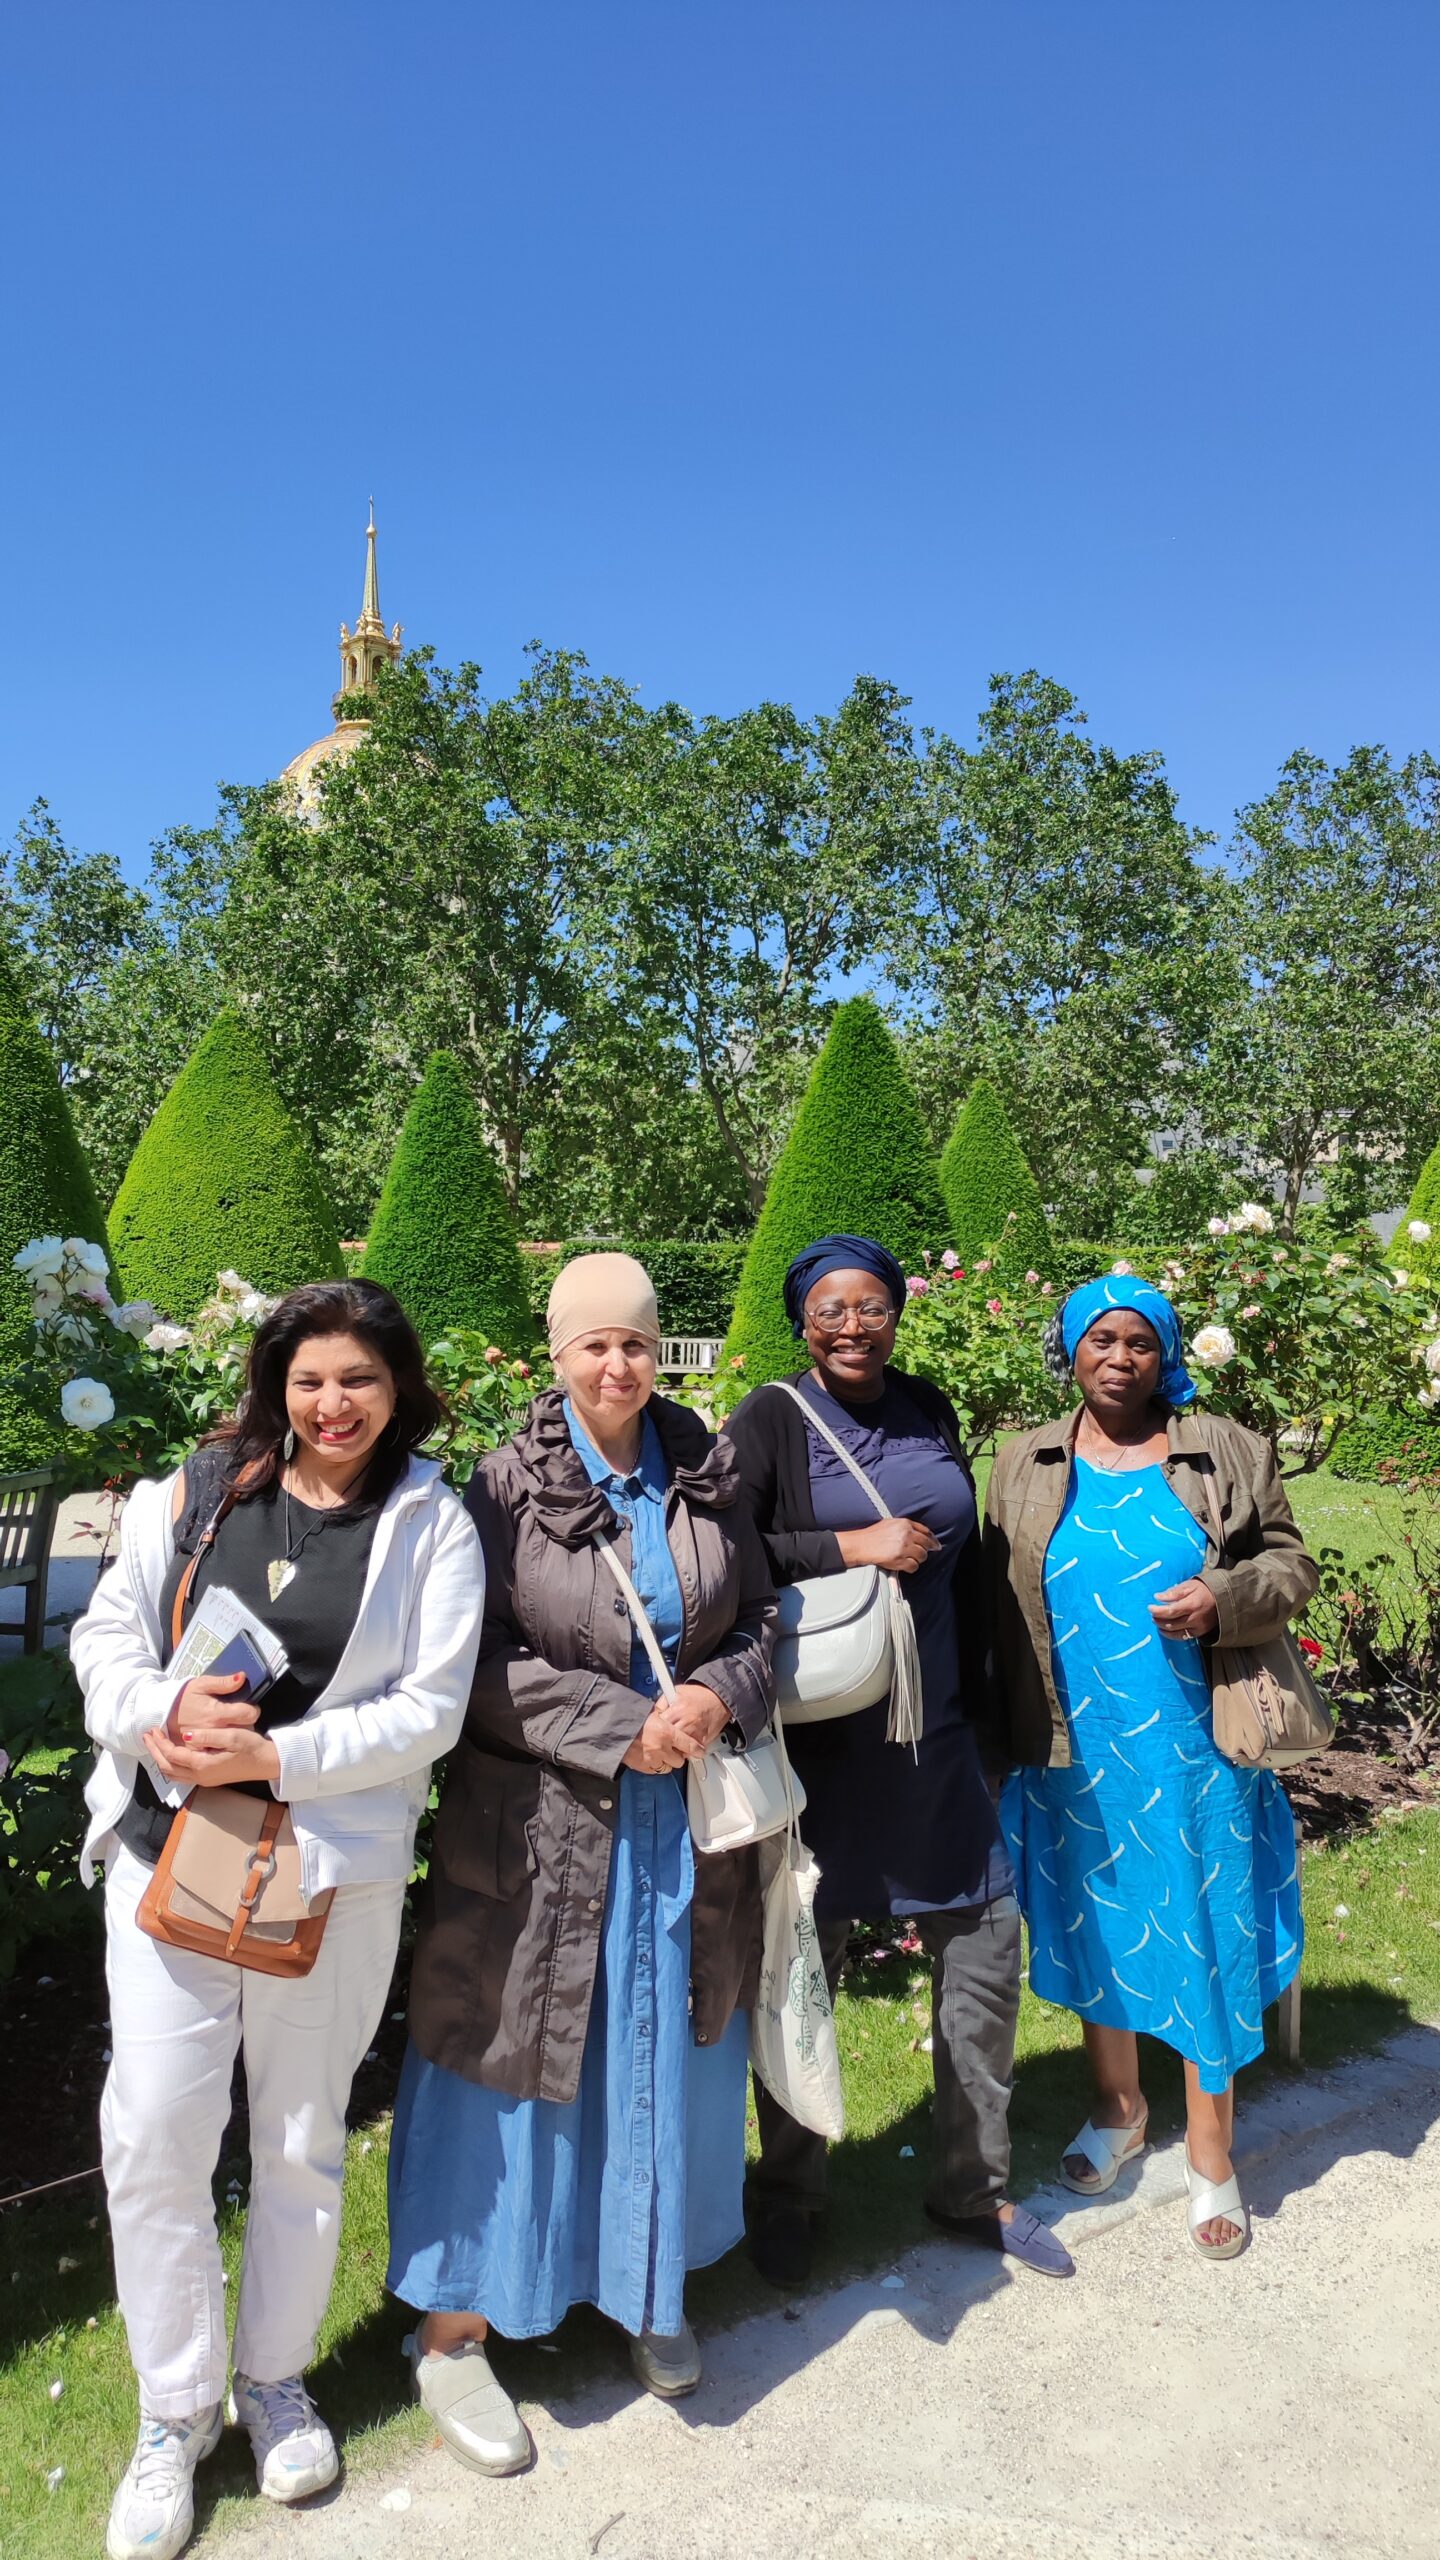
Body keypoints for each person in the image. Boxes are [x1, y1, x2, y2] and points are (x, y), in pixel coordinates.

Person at [72, 1279, 483, 2560]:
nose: (334, 1402)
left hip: (325, 1872)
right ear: (277, 1384)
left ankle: (276, 2381)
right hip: (171, 1858)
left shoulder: (430, 1522)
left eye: (359, 1378)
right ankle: (175, 2408)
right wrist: (157, 1719)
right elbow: (105, 1633)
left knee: (303, 2134)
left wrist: (279, 1758)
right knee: (154, 2130)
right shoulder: (197, 1493)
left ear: (397, 1387)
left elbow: (431, 1709)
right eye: (311, 1379)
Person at [388, 1252, 775, 2474]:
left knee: (661, 2051)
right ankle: (454, 2334)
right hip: (545, 1831)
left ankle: (646, 2289)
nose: (617, 1365)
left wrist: (714, 1694)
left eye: (636, 1342)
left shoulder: (707, 1471)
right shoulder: (501, 1488)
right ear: (554, 1356)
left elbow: (765, 1619)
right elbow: (475, 1659)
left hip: (685, 1835)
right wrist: (623, 1730)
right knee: (511, 2060)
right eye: (591, 1343)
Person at [725, 1233, 1073, 2288]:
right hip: (824, 1744)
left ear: (895, 1312)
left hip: (940, 1735)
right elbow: (726, 1552)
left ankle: (974, 2184)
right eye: (830, 1307)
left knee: (982, 1947)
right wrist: (849, 1547)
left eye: (870, 1305)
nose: (851, 1325)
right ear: (801, 1319)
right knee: (804, 1970)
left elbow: (967, 1557)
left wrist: (993, 1714)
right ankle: (788, 2191)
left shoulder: (927, 1405)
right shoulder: (770, 1417)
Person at [986, 1272, 1316, 2260]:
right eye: (1100, 1340)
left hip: (1194, 1748)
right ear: (1072, 1352)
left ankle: (1213, 2153)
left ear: (1164, 1353)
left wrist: (1223, 1595)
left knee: (1201, 1922)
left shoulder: (1222, 1450)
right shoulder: (1024, 1459)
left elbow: (1291, 1564)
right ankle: (1122, 2106)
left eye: (1138, 1341)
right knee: (1098, 1919)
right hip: (1072, 1749)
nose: (1119, 1358)